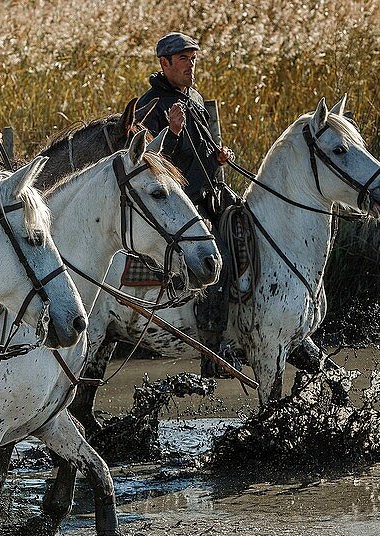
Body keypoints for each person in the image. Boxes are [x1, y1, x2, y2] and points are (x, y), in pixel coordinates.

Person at [136, 32, 237, 377]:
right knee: (214, 253)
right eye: (183, 60)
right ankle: (211, 348)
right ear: (164, 64)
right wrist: (174, 132)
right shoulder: (148, 106)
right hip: (180, 203)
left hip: (209, 191)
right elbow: (152, 163)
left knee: (248, 228)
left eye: (193, 59)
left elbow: (202, 150)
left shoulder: (193, 96)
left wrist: (219, 156)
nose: (191, 66)